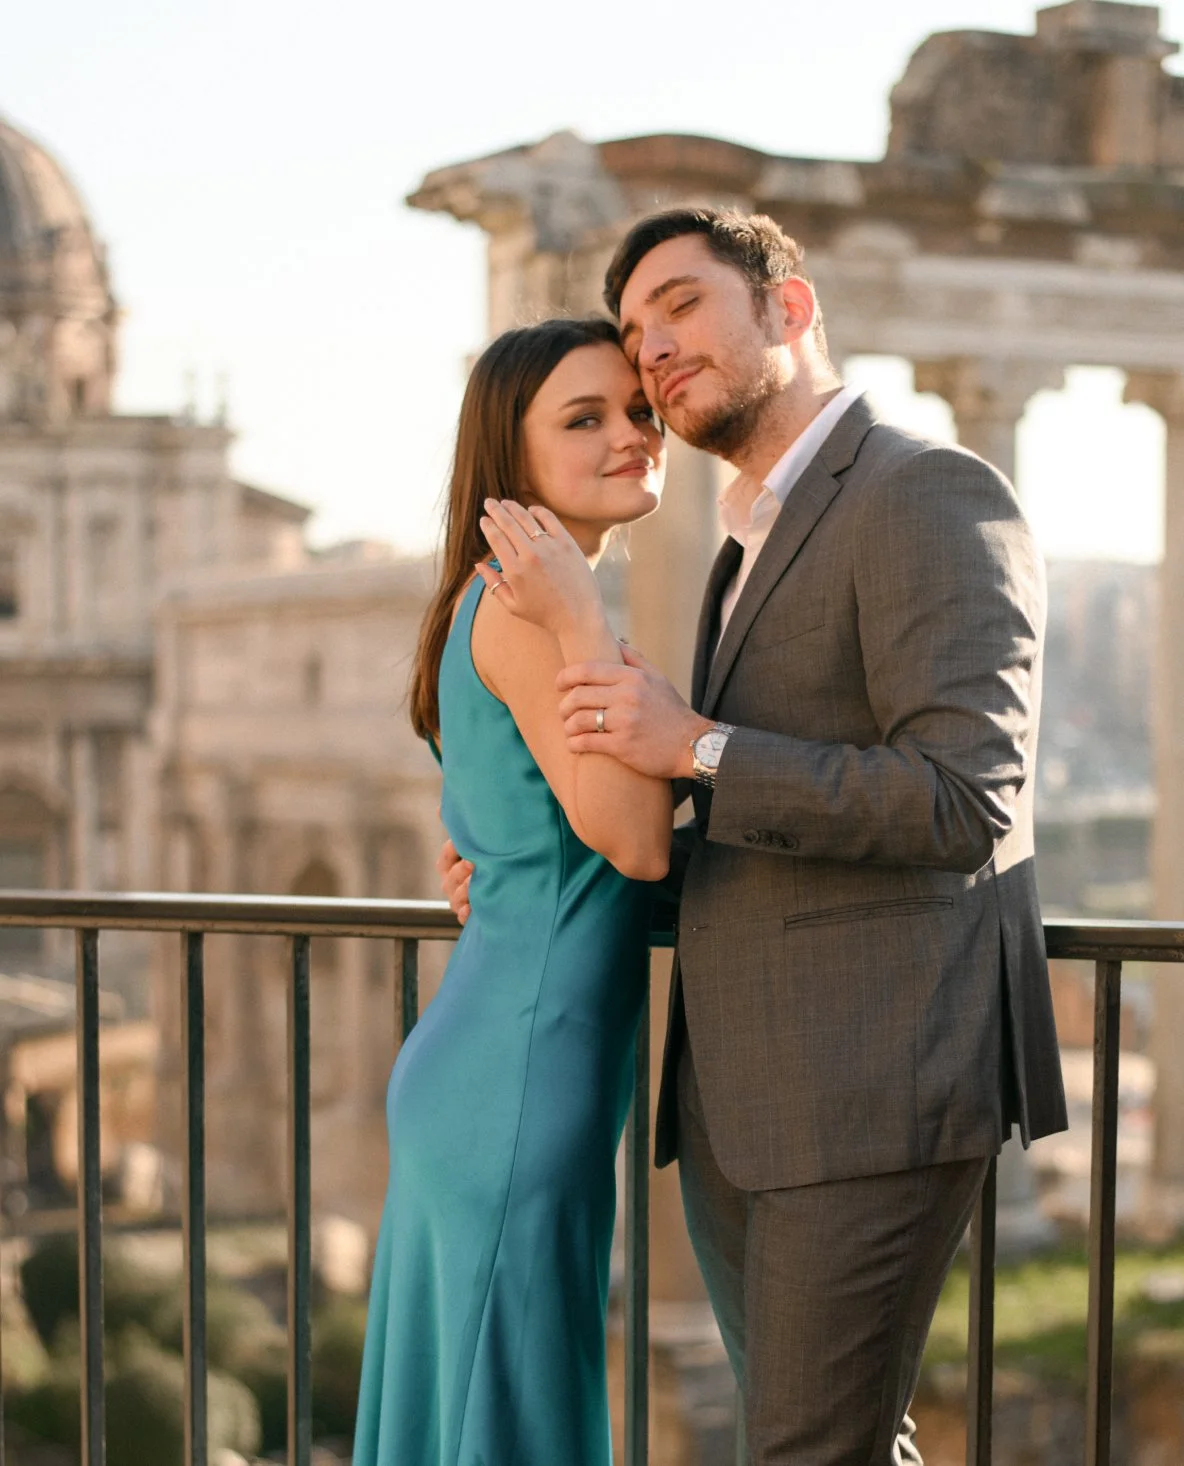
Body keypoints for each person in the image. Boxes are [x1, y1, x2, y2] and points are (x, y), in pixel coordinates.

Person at [440, 208, 1069, 1465]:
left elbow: (962, 798)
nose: (653, 348)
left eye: (681, 304)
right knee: (836, 1442)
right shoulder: (747, 538)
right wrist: (535, 876)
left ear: (789, 306)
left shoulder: (927, 490)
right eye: (635, 330)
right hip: (747, 1095)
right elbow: (752, 842)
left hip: (872, 1083)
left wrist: (698, 747)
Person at [352, 316, 673, 1466]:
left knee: (475, 1415)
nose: (629, 434)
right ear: (510, 455)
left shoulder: (481, 602)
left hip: (496, 1064)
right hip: (521, 1081)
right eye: (582, 418)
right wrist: (581, 614)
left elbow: (533, 833)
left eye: (637, 409)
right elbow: (637, 843)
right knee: (511, 1420)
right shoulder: (533, 609)